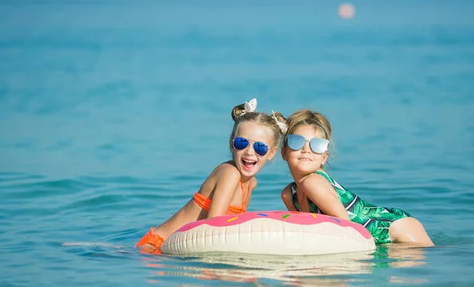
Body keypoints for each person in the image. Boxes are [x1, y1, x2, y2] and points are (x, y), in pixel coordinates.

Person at [136, 98, 287, 253]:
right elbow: (213, 228)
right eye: (242, 143)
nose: (249, 152)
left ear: (272, 152)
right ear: (231, 144)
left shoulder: (251, 183)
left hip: (173, 250)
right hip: (155, 248)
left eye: (260, 147)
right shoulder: (230, 174)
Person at [280, 109, 434, 246]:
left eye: (317, 145)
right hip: (377, 238)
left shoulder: (313, 182)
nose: (306, 149)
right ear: (284, 152)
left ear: (324, 157)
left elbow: (345, 224)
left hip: (395, 229)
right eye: (296, 142)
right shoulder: (289, 194)